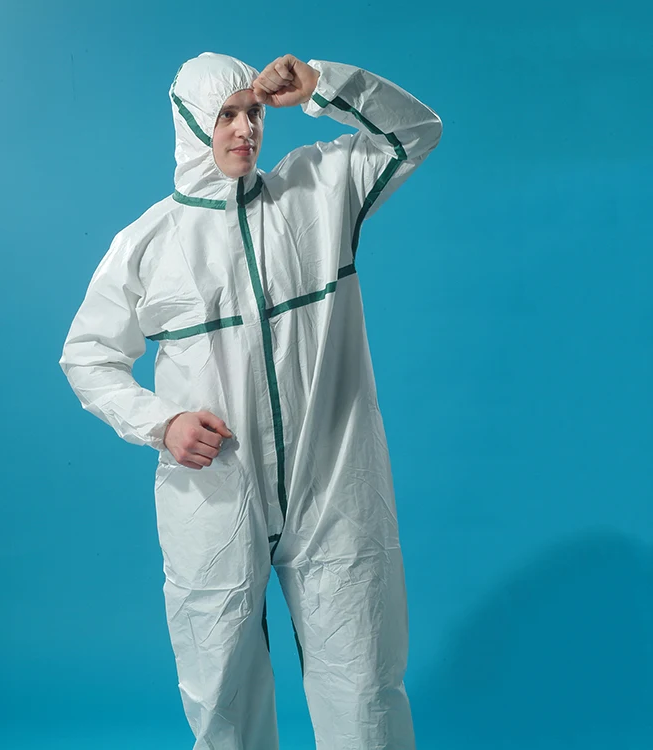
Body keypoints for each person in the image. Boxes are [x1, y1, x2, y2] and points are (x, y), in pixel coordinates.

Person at [59, 51, 442, 750]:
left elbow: (416, 132)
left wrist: (323, 86)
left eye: (254, 113)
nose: (246, 130)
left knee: (364, 687)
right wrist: (162, 423)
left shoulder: (319, 191)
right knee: (222, 697)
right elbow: (87, 355)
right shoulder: (149, 243)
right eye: (226, 116)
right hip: (216, 495)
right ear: (189, 126)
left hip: (335, 486)